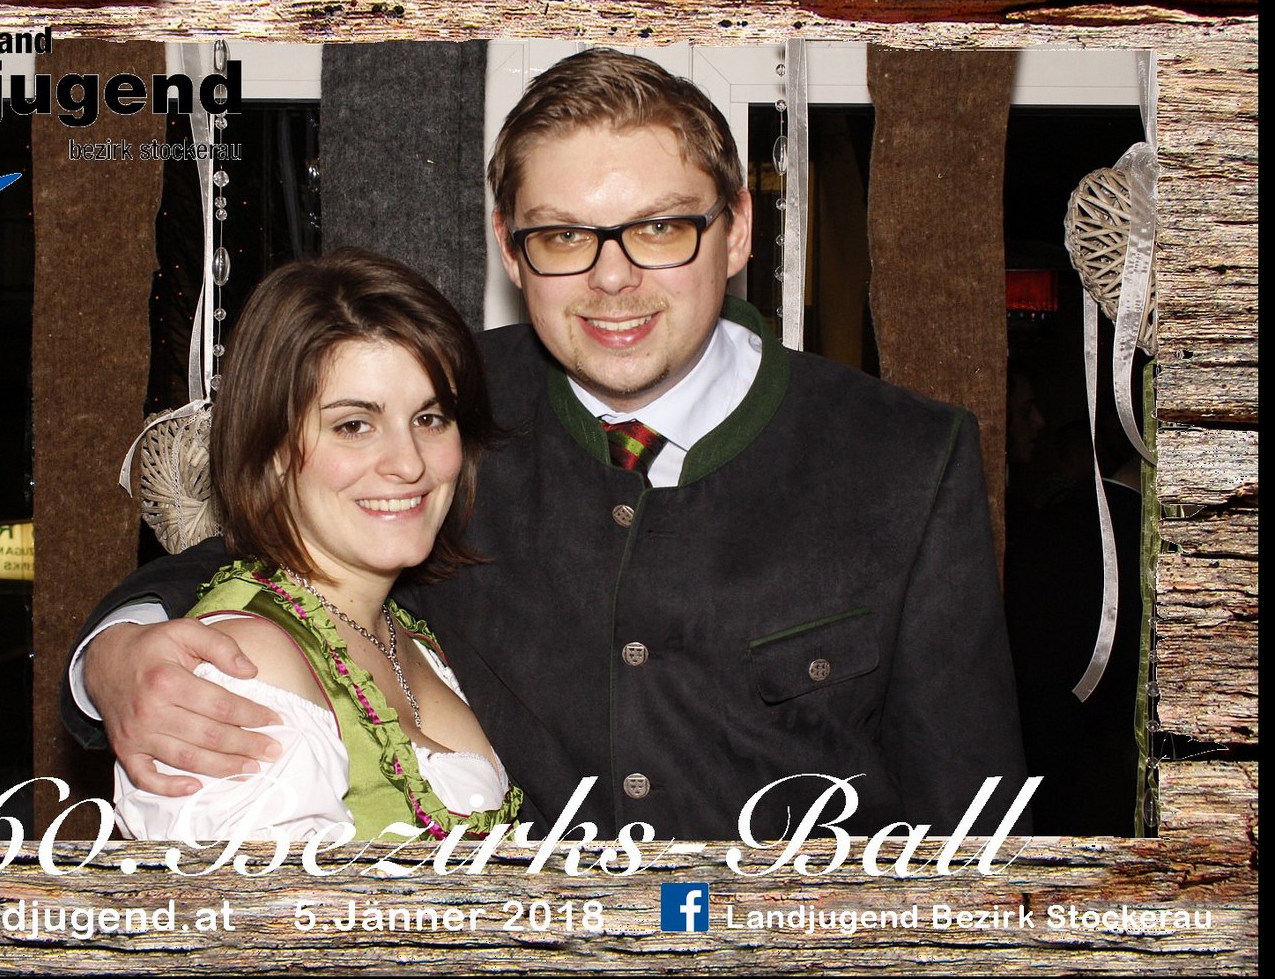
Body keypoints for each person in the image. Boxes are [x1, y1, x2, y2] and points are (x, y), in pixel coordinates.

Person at [67, 48, 1030, 840]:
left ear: (736, 230)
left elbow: (975, 814)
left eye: (661, 228)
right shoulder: (442, 410)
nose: (612, 279)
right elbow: (255, 553)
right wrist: (112, 657)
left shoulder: (906, 457)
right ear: (509, 246)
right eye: (564, 236)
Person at [109, 249, 523, 840]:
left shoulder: (404, 632)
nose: (408, 463)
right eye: (354, 425)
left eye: (430, 419)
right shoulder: (244, 668)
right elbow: (248, 902)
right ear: (274, 449)